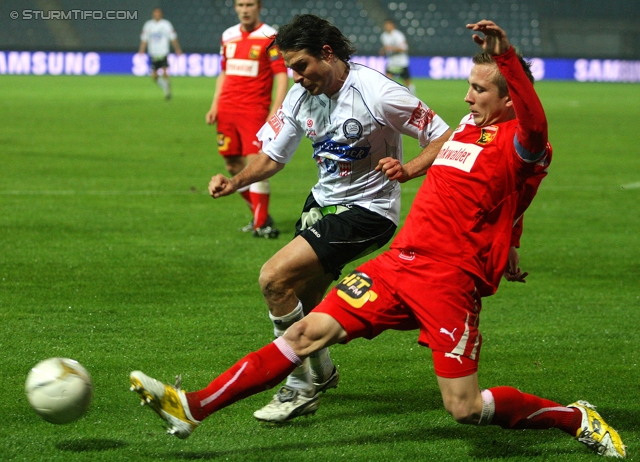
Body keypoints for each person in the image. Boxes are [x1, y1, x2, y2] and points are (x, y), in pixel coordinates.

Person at [129, 19, 626, 458]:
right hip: (398, 264)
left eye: (479, 89)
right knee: (302, 334)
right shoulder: (465, 133)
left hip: (450, 280)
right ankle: (192, 407)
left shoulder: (522, 141)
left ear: (509, 97)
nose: (467, 98)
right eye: (470, 87)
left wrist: (508, 58)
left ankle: (575, 418)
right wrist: (413, 172)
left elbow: (533, 137)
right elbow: (508, 198)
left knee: (464, 408)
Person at [205, 14, 451, 422]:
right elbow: (271, 157)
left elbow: (443, 135)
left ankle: (299, 388)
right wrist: (236, 182)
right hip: (321, 205)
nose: (297, 77)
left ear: (327, 53)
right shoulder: (300, 98)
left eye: (301, 66)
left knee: (273, 278)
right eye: (291, 69)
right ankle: (322, 373)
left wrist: (410, 169)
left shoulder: (378, 92)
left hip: (368, 212)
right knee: (299, 305)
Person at [206, 0, 289, 238]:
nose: (245, 9)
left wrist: (276, 109)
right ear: (235, 7)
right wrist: (214, 104)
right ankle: (258, 214)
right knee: (232, 165)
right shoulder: (228, 36)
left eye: (249, 4)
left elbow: (281, 75)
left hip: (254, 111)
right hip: (227, 110)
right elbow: (224, 71)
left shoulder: (269, 35)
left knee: (255, 165)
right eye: (240, 4)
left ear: (258, 7)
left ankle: (262, 224)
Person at [138, 8, 182, 100]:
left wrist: (177, 49)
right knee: (154, 76)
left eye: (158, 14)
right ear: (153, 15)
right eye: (155, 14)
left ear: (161, 15)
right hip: (153, 52)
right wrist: (141, 50)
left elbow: (172, 37)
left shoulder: (166, 24)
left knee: (165, 72)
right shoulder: (148, 25)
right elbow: (144, 39)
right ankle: (165, 86)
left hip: (163, 52)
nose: (157, 15)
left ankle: (167, 92)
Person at [379, 19, 415, 95]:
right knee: (387, 79)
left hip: (401, 62)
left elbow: (404, 48)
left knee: (407, 81)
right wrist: (383, 50)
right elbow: (386, 47)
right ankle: (387, 97)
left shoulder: (398, 35)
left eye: (389, 25)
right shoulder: (384, 36)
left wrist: (391, 48)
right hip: (392, 62)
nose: (387, 27)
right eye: (386, 25)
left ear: (393, 26)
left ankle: (413, 96)